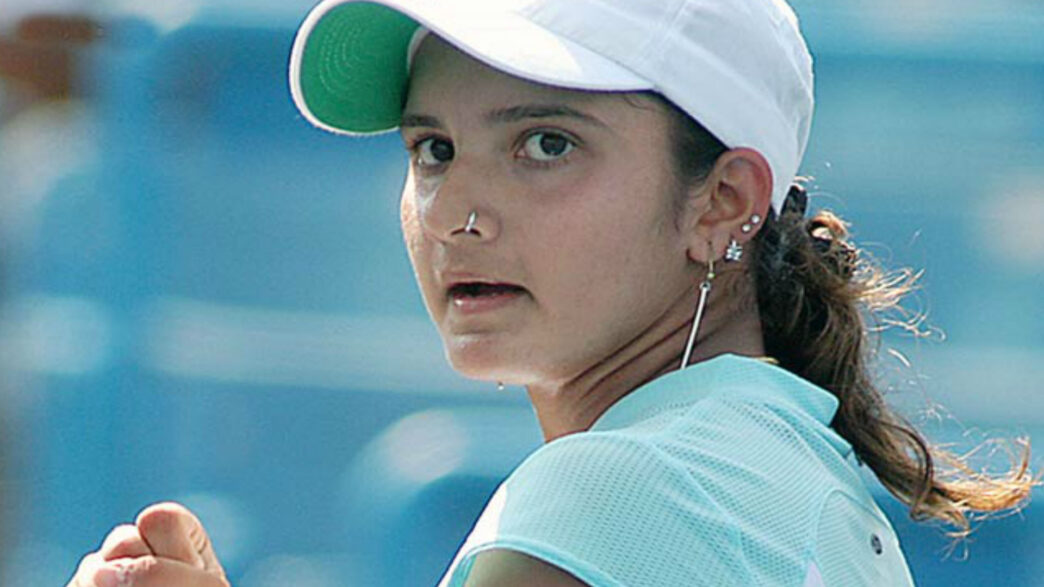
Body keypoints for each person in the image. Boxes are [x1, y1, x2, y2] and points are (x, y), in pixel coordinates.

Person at [66, 0, 1038, 585]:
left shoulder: (610, 493)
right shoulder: (779, 461)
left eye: (545, 143)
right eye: (434, 149)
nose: (458, 212)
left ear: (723, 201)